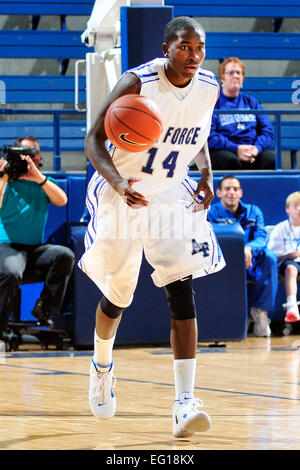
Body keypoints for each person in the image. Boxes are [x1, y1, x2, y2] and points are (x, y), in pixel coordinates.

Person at [79, 16, 226, 438]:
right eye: (184, 48)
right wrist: (119, 183)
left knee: (180, 284)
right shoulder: (137, 82)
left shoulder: (209, 87)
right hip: (120, 189)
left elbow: (197, 135)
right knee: (118, 294)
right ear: (166, 48)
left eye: (199, 48)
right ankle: (102, 363)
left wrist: (206, 173)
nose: (193, 56)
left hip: (167, 192)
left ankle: (184, 402)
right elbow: (92, 140)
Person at [0, 136, 75, 342]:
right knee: (12, 270)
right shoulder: (5, 182)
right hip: (6, 246)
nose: (26, 157)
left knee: (64, 255)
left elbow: (62, 200)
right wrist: (3, 176)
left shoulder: (42, 183)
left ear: (38, 157)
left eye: (32, 153)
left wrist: (38, 178)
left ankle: (44, 309)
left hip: (34, 250)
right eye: (22, 153)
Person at [208, 175, 278, 337]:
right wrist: (234, 251)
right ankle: (237, 317)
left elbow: (262, 236)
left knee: (270, 258)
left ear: (241, 193)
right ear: (218, 192)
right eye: (227, 189)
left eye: (235, 189)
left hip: (250, 259)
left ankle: (260, 313)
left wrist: (249, 249)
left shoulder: (254, 211)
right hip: (224, 260)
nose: (231, 192)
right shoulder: (211, 212)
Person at [208, 57, 275, 170]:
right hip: (225, 150)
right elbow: (209, 136)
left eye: (238, 73)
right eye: (230, 73)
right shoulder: (214, 103)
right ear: (222, 78)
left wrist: (256, 148)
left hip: (252, 150)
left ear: (242, 78)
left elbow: (268, 131)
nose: (235, 76)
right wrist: (236, 149)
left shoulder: (252, 102)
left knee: (270, 160)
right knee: (231, 161)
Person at [268, 192, 300, 323]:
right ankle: (292, 306)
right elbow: (271, 254)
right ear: (288, 209)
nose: (299, 209)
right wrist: (288, 255)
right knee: (291, 268)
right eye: (296, 206)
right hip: (287, 262)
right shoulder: (280, 228)